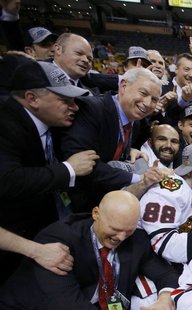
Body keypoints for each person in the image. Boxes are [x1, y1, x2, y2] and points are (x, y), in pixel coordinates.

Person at [0, 60, 96, 283]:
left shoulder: (50, 122)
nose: (75, 107)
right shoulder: (5, 124)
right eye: (65, 100)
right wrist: (68, 170)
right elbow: (7, 180)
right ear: (32, 99)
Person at [0, 191, 179, 309]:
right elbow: (68, 305)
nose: (121, 237)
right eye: (115, 229)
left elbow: (165, 273)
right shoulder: (58, 240)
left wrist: (165, 299)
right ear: (96, 214)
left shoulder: (136, 239)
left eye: (128, 230)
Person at [59, 67, 165, 212]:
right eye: (143, 93)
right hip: (74, 205)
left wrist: (130, 151)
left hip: (104, 202)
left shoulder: (137, 120)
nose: (147, 103)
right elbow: (85, 167)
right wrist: (138, 178)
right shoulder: (92, 109)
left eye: (154, 99)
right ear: (123, 86)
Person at [52, 33, 118, 95]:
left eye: (90, 59)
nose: (86, 60)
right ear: (58, 49)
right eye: (79, 53)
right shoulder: (42, 78)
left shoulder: (92, 92)